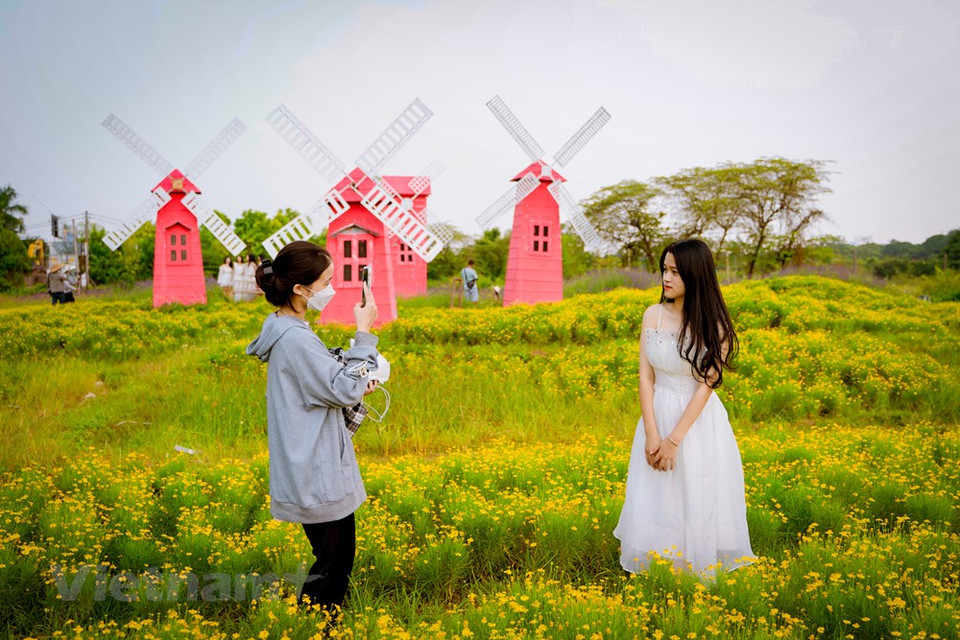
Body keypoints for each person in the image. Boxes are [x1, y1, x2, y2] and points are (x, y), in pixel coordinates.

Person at [246, 240, 380, 612]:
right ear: (299, 289)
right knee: (334, 563)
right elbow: (342, 388)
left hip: (308, 457)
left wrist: (340, 364)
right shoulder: (294, 339)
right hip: (315, 465)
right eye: (324, 283)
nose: (331, 290)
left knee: (331, 558)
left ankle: (312, 622)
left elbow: (322, 380)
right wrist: (364, 333)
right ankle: (318, 625)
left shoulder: (285, 327)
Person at [614, 238, 754, 576]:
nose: (666, 278)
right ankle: (661, 566)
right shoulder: (653, 314)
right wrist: (652, 432)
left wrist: (674, 439)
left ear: (695, 275)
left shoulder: (714, 324)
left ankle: (693, 566)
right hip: (657, 412)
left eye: (675, 272)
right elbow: (645, 376)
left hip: (697, 422)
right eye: (664, 269)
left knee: (695, 491)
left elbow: (707, 385)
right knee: (657, 491)